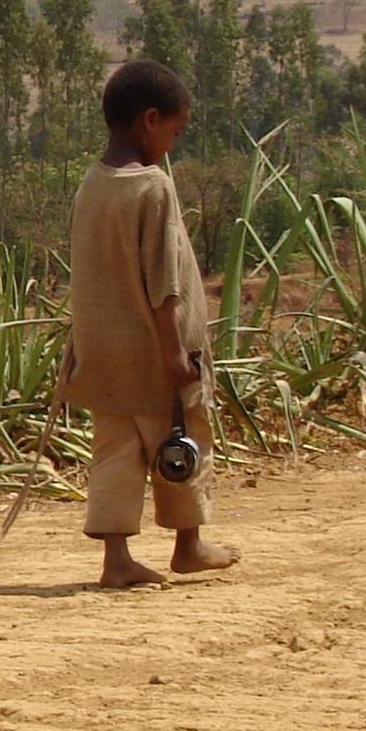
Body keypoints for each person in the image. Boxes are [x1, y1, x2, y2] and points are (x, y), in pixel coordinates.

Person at [59, 58, 242, 588]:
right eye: (175, 132)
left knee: (114, 449)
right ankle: (188, 544)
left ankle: (116, 560)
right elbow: (165, 282)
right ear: (150, 119)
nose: (173, 143)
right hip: (155, 354)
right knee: (182, 438)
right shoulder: (153, 188)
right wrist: (173, 352)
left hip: (102, 353)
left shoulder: (91, 184)